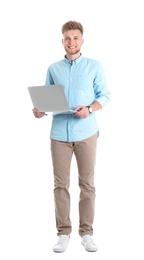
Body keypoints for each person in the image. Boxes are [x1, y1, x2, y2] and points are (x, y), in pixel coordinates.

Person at [32, 20, 110, 253]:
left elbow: (105, 95)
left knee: (87, 184)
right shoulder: (53, 69)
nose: (71, 42)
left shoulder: (95, 66)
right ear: (62, 41)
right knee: (60, 185)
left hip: (86, 134)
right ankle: (63, 232)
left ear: (82, 41)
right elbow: (47, 101)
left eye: (75, 38)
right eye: (67, 38)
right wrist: (40, 110)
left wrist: (90, 109)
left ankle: (86, 233)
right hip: (59, 134)